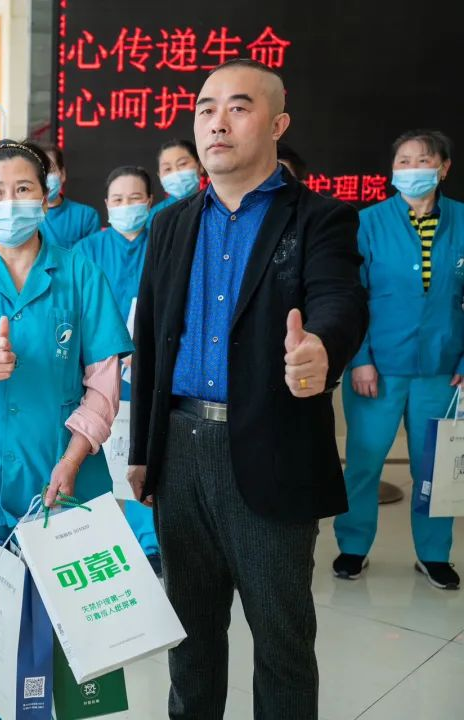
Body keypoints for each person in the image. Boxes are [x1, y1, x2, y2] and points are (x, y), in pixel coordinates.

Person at [128, 59, 368, 718]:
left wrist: (322, 347)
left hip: (271, 448)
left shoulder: (319, 218)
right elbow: (152, 340)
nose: (217, 122)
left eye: (238, 107)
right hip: (180, 452)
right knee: (190, 637)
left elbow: (340, 300)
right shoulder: (171, 223)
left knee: (281, 639)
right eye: (206, 109)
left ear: (278, 123)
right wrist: (143, 451)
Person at [0, 139, 132, 720]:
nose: (9, 202)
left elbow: (103, 380)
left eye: (23, 189)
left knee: (73, 638)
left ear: (46, 195)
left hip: (63, 474)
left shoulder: (80, 271)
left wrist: (75, 455)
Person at [333, 129, 460, 590]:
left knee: (435, 468)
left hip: (442, 370)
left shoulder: (461, 221)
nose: (411, 170)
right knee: (364, 462)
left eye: (422, 160)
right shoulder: (367, 223)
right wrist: (360, 359)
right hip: (378, 368)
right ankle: (353, 546)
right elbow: (351, 296)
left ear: (443, 168)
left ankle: (433, 554)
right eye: (403, 161)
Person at [73, 166, 161, 575]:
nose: (128, 206)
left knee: (142, 452)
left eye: (135, 198)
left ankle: (149, 542)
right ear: (107, 205)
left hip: (150, 370)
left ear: (150, 202)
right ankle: (100, 539)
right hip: (100, 369)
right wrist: (110, 350)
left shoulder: (163, 244)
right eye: (119, 200)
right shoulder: (87, 250)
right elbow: (80, 308)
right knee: (98, 453)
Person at [37, 141, 102, 249]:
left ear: (62, 174)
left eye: (50, 170)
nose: (45, 177)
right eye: (39, 172)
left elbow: (91, 256)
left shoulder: (86, 216)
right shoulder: (22, 217)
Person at [148, 138, 204, 224]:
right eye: (167, 169)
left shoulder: (217, 205)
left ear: (200, 166)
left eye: (182, 164)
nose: (176, 172)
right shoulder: (155, 215)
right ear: (159, 176)